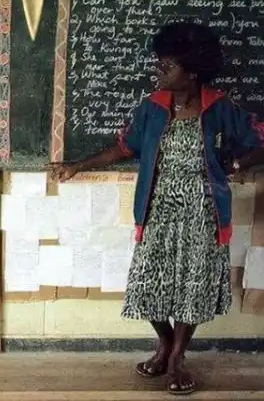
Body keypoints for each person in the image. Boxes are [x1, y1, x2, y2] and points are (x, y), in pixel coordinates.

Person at [47, 22, 264, 396]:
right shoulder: (152, 106)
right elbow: (124, 147)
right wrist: (78, 165)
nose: (158, 69)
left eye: (167, 65)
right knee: (147, 283)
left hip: (203, 212)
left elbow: (258, 141)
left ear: (191, 72)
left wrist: (236, 164)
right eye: (159, 63)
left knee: (193, 286)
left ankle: (176, 359)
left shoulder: (219, 106)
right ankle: (165, 342)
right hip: (157, 208)